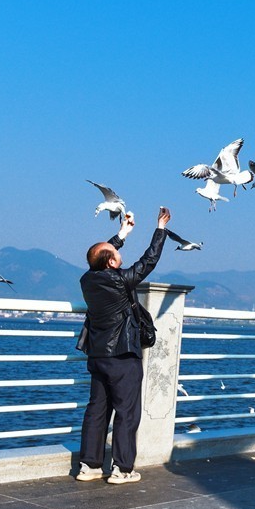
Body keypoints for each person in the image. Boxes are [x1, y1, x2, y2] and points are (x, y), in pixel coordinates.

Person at [76, 207, 171, 485]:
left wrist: (123, 233)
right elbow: (149, 260)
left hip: (97, 355)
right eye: (115, 253)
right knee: (127, 412)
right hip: (122, 355)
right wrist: (160, 228)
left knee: (97, 410)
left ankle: (89, 465)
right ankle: (123, 469)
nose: (118, 253)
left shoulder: (87, 279)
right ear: (111, 263)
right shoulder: (121, 281)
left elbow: (98, 256)